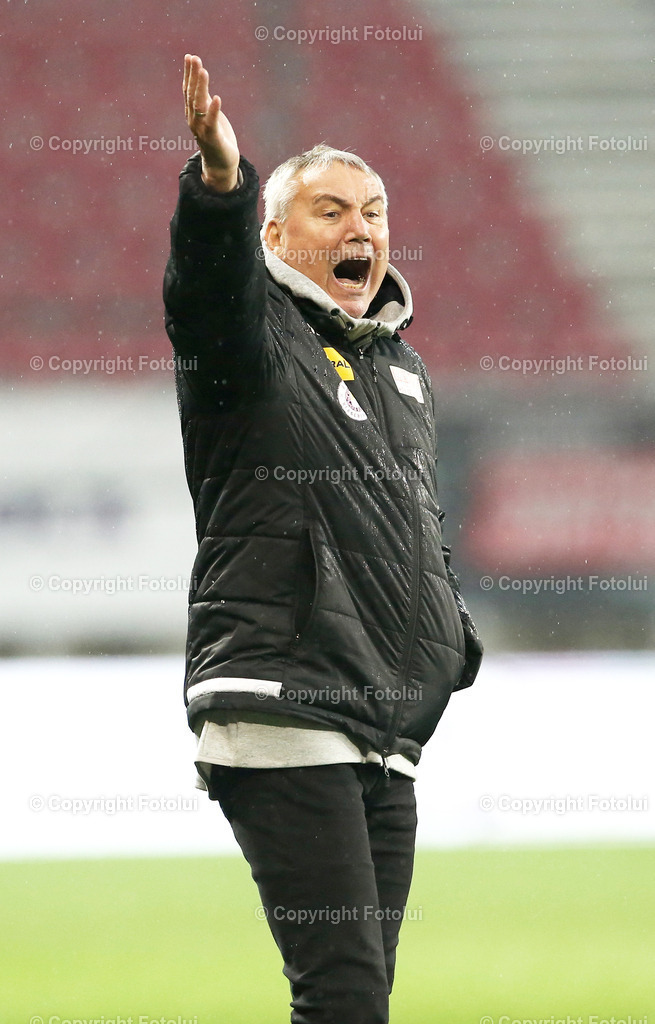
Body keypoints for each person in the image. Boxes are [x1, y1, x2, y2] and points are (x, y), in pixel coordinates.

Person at [163, 53, 483, 1024]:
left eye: (374, 211)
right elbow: (208, 285)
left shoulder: (402, 372)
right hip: (284, 692)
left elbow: (414, 529)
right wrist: (221, 185)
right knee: (343, 997)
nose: (361, 228)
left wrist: (447, 642)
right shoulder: (246, 337)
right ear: (274, 233)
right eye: (331, 210)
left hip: (385, 726)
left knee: (359, 1001)